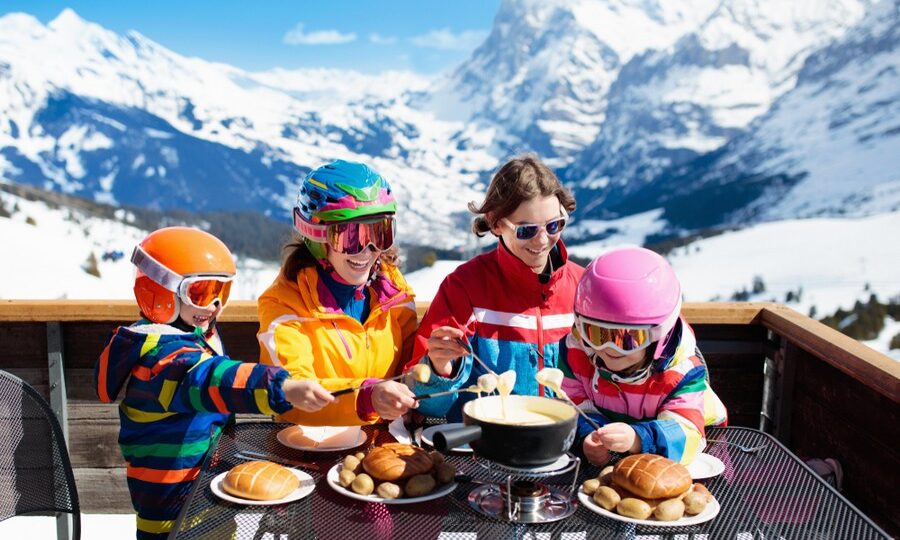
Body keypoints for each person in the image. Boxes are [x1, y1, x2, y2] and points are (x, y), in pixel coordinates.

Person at [94, 227, 334, 540]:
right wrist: (281, 387)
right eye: (202, 292)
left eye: (222, 291)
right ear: (161, 291)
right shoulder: (161, 360)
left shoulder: (190, 339)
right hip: (174, 519)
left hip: (204, 503)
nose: (215, 305)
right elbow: (210, 378)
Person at [405, 155, 584, 421]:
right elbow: (426, 405)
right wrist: (439, 368)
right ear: (496, 223)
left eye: (554, 225)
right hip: (487, 438)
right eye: (527, 230)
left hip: (566, 438)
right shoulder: (465, 287)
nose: (542, 240)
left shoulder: (584, 288)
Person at [257, 159, 419, 426]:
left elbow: (412, 361)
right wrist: (364, 397)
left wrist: (438, 365)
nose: (366, 250)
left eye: (379, 233)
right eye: (351, 237)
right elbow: (291, 391)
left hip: (384, 439)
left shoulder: (391, 289)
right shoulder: (285, 302)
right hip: (310, 443)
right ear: (317, 236)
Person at [558, 246, 728, 466]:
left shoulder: (681, 374)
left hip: (696, 456)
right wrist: (589, 434)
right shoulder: (577, 355)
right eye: (597, 334)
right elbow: (571, 404)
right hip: (617, 463)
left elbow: (687, 433)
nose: (610, 348)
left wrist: (638, 438)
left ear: (660, 335)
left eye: (627, 339)